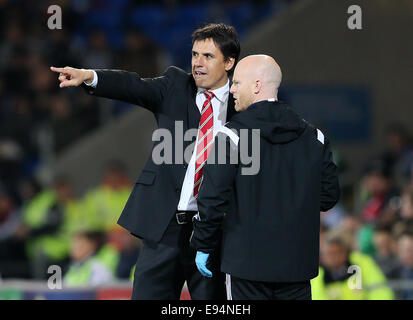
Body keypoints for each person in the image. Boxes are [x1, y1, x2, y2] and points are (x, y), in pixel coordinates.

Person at [50, 23, 240, 300]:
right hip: (164, 226)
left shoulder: (242, 105)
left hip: (213, 230)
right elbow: (133, 85)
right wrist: (90, 76)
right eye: (195, 55)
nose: (198, 63)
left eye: (208, 56)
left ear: (229, 61)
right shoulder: (175, 85)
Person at [190, 55, 340, 300]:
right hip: (297, 266)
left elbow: (212, 199)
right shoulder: (315, 137)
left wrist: (203, 245)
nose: (232, 89)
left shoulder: (231, 136)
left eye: (237, 83)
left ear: (257, 85)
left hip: (245, 266)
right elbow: (329, 197)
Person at [311, 230, 394, 300]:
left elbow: (379, 290)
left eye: (336, 253)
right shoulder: (316, 276)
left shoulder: (361, 263)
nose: (332, 258)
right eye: (328, 254)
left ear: (345, 253)